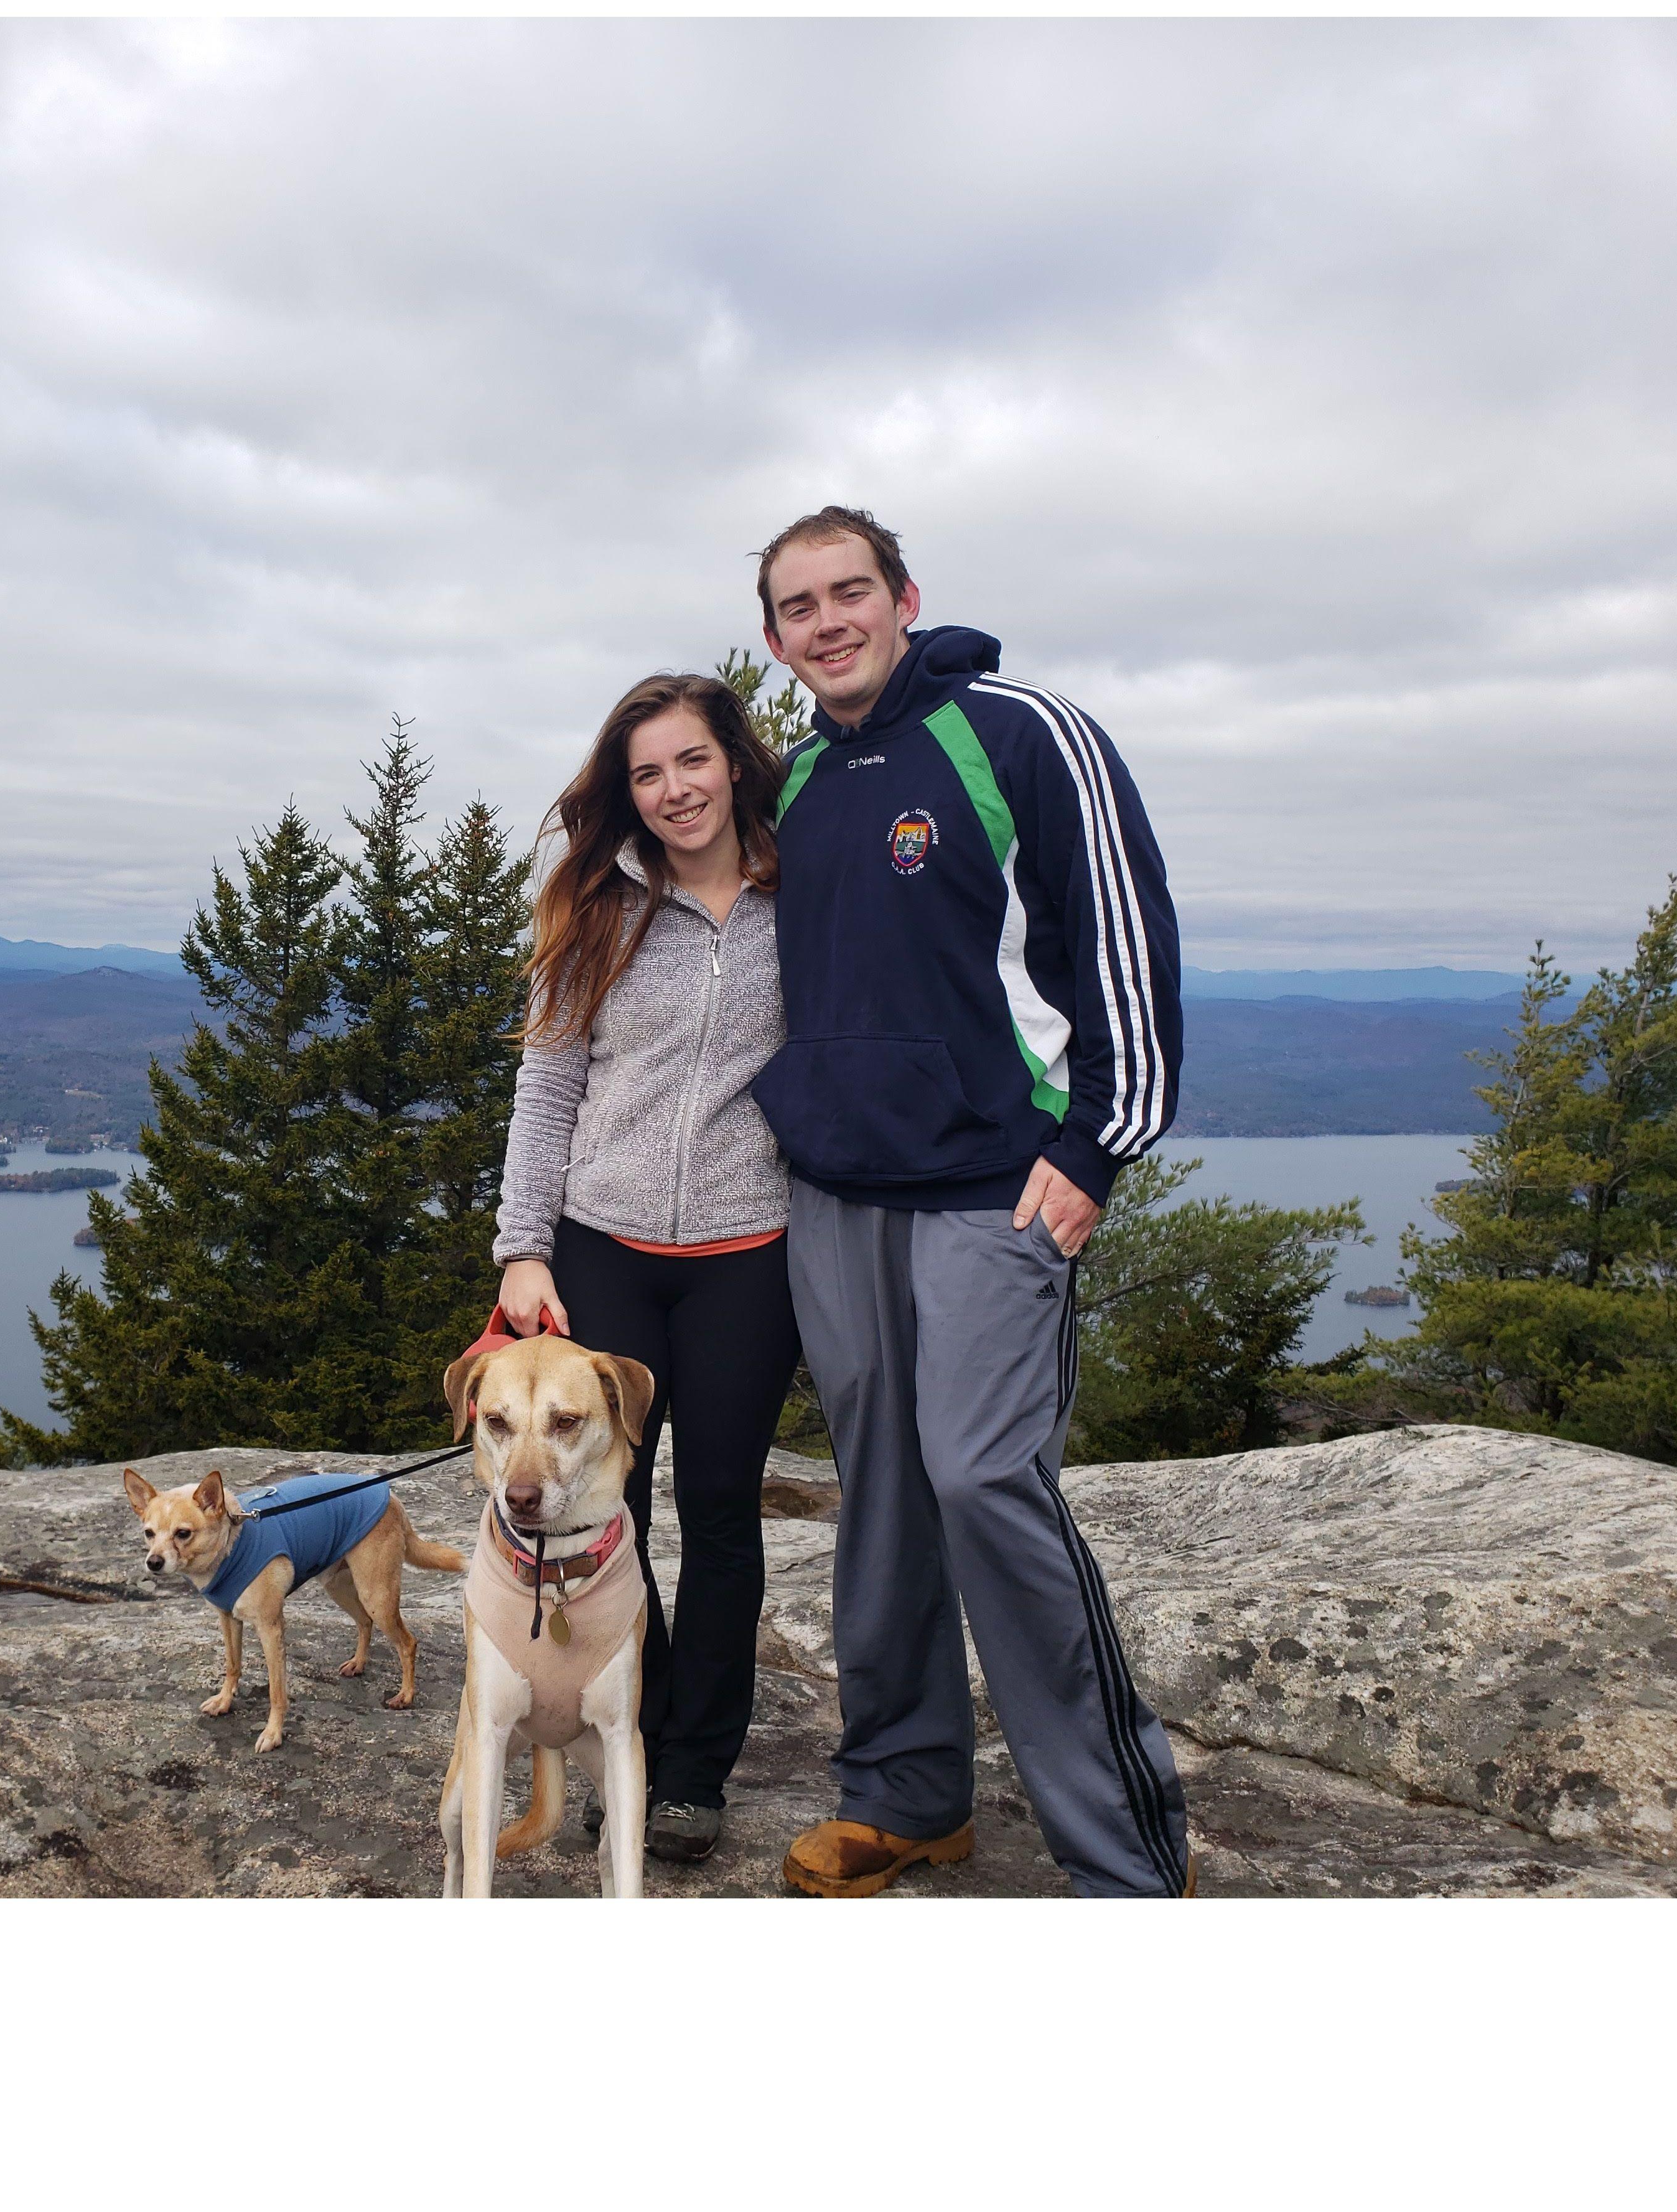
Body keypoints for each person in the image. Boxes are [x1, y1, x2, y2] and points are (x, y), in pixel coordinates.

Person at [751, 506, 1194, 1898]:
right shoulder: (804, 777)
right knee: (879, 1489)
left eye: (848, 593)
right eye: (798, 607)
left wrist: (1102, 1146)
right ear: (776, 639)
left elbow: (1122, 938)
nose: (827, 623)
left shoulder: (1018, 733)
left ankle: (1123, 1857)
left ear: (902, 597)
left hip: (998, 1186)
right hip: (837, 1191)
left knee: (986, 1479)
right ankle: (907, 1795)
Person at [492, 671, 800, 1865]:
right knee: (597, 1508)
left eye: (692, 762)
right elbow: (549, 1080)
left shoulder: (803, 898)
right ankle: (637, 1728)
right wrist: (524, 1246)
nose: (673, 791)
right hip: (602, 1248)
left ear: (734, 763)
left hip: (748, 1259)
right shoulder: (599, 906)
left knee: (721, 1518)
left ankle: (691, 1773)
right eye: (647, 773)